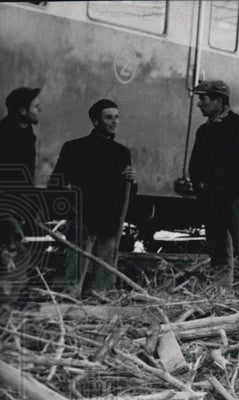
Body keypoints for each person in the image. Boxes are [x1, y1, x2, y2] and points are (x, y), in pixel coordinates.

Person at [50, 99, 137, 297]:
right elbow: (56, 182)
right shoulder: (75, 148)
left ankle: (101, 303)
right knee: (74, 273)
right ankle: (69, 302)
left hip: (109, 221)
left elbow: (128, 192)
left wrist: (132, 180)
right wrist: (70, 209)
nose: (115, 122)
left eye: (117, 117)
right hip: (83, 218)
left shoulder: (122, 153)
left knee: (105, 279)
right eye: (109, 117)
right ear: (95, 121)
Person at [188, 79, 239, 293]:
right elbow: (195, 166)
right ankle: (220, 294)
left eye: (203, 99)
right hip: (212, 200)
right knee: (218, 251)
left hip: (237, 200)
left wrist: (237, 189)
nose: (199, 103)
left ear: (218, 100)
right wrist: (201, 191)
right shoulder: (204, 131)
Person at [0, 87, 41, 298]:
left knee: (13, 249)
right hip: (5, 203)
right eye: (36, 106)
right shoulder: (5, 134)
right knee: (14, 249)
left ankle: (11, 296)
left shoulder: (26, 133)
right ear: (23, 110)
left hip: (18, 203)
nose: (39, 109)